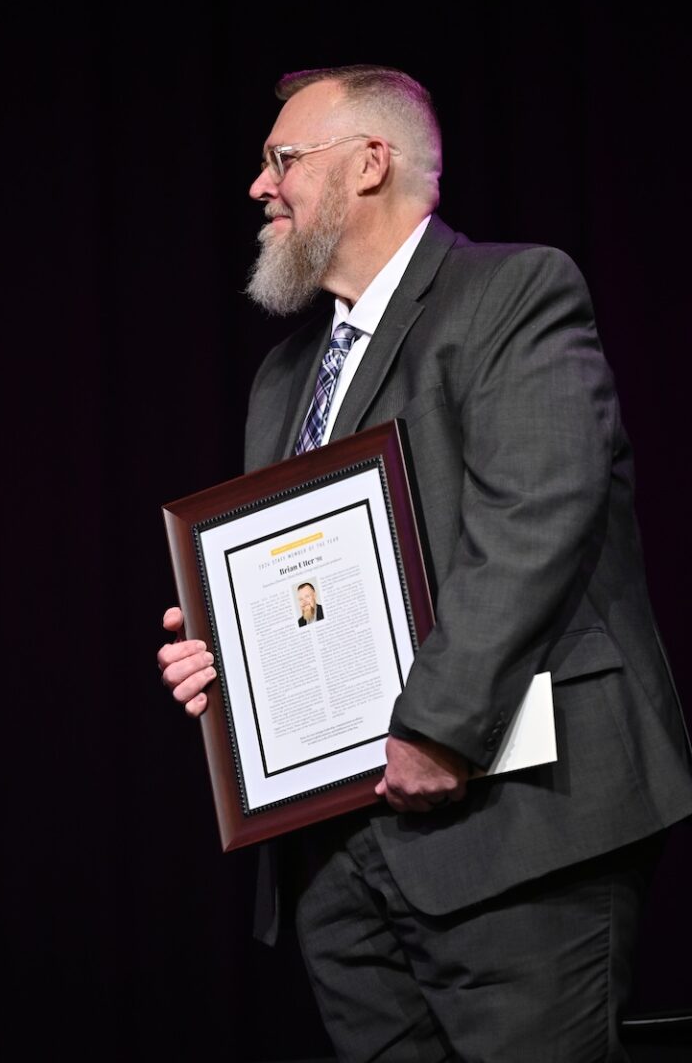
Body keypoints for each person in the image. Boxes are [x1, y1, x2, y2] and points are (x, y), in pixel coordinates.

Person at [157, 65, 692, 1062]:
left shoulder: (513, 292)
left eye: (283, 159)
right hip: (338, 863)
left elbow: (535, 517)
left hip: (516, 823)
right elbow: (307, 587)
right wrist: (231, 656)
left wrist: (438, 727)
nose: (258, 187)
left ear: (370, 163)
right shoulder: (285, 378)